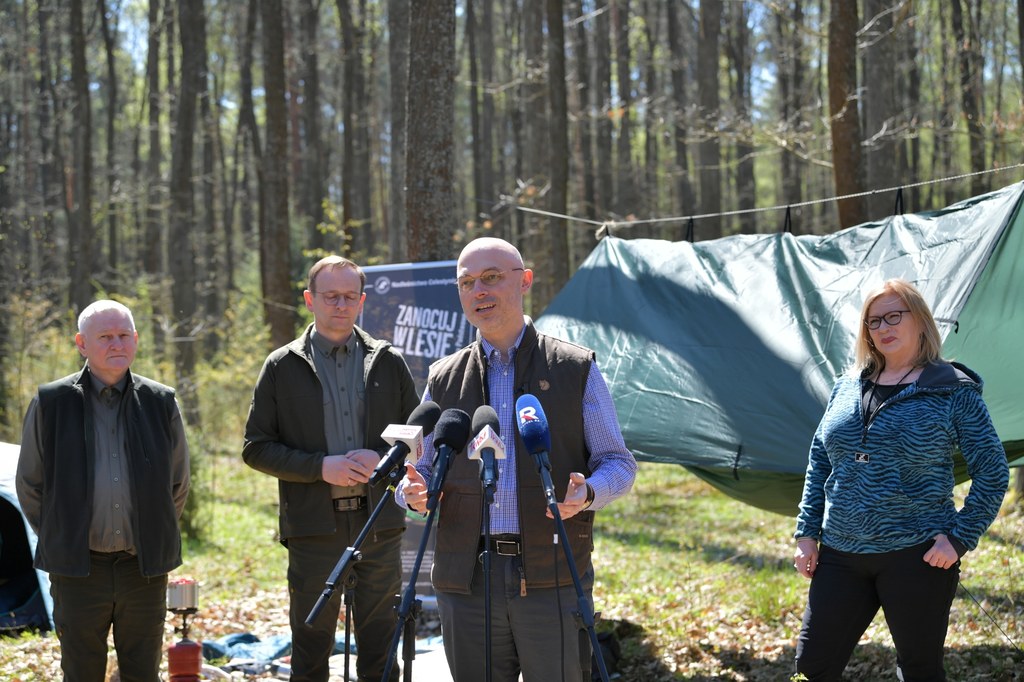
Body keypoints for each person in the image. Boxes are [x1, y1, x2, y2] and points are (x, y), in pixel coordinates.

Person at [397, 237, 637, 682]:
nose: (479, 291)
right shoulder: (443, 377)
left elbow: (619, 463)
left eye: (491, 278)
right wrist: (411, 493)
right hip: (465, 581)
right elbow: (422, 470)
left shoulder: (573, 367)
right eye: (467, 283)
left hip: (552, 576)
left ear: (524, 281)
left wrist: (588, 494)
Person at [792, 278, 1009, 681]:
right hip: (840, 554)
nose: (884, 328)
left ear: (920, 321)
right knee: (812, 666)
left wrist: (960, 537)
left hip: (917, 556)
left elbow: (993, 471)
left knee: (920, 670)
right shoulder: (846, 387)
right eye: (874, 321)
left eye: (895, 316)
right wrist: (806, 534)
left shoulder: (952, 391)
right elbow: (820, 458)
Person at [243, 255, 419, 682]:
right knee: (310, 645)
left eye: (349, 296)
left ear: (361, 301)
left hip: (379, 523)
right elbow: (256, 448)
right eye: (330, 296)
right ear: (309, 300)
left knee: (381, 645)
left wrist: (383, 458)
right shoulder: (282, 366)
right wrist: (320, 467)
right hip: (313, 529)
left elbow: (418, 433)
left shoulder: (388, 361)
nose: (340, 304)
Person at [16, 299, 191, 681]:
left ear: (136, 340)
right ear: (81, 343)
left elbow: (177, 485)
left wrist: (149, 532)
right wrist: (62, 537)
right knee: (81, 671)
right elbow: (30, 484)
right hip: (79, 570)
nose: (117, 344)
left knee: (143, 671)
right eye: (105, 337)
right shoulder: (52, 402)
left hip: (142, 569)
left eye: (124, 335)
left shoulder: (161, 402)